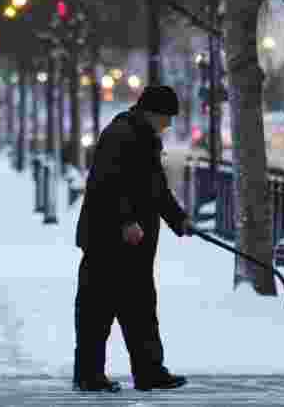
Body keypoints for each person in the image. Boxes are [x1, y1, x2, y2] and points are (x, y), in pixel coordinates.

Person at [73, 85, 192, 393]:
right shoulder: (121, 134)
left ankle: (149, 371)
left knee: (140, 309)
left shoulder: (144, 138)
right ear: (152, 112)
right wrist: (125, 220)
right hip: (108, 241)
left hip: (134, 245)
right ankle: (89, 375)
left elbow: (156, 189)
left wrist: (178, 219)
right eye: (166, 118)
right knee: (97, 311)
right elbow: (106, 183)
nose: (168, 125)